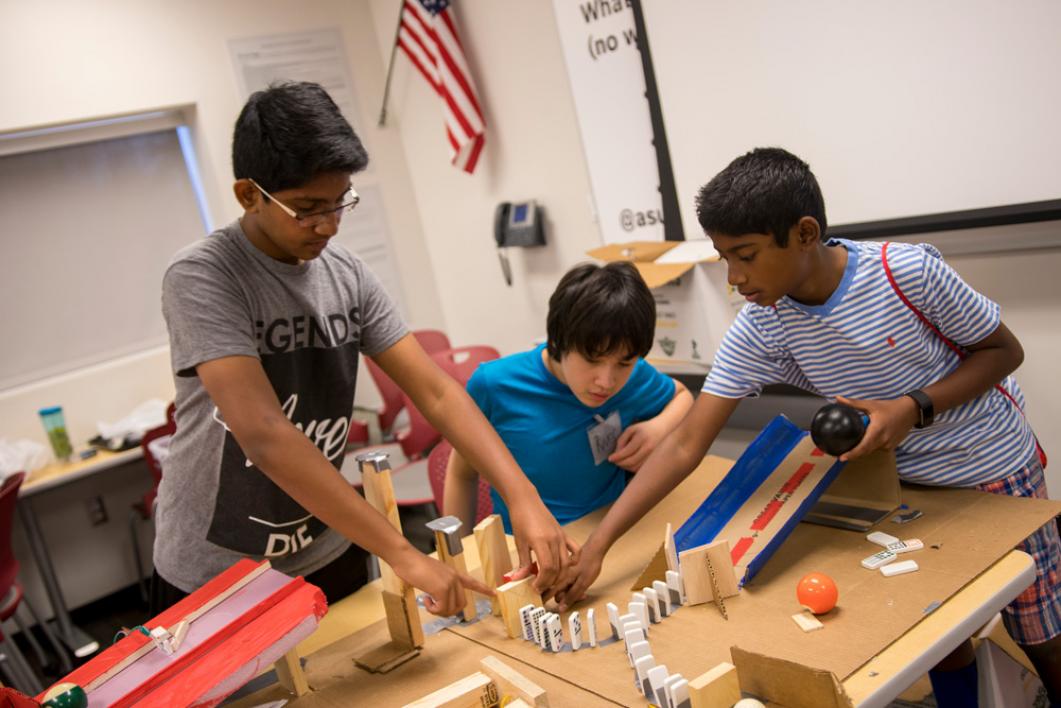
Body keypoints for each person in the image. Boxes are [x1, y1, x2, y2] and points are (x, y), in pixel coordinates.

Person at [556, 147, 1059, 704]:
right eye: (724, 257)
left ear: (804, 232)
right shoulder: (764, 325)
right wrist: (599, 545)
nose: (734, 278)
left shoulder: (906, 273)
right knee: (937, 625)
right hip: (905, 489)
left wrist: (910, 407)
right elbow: (683, 444)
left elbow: (1002, 351)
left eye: (744, 255)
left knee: (1038, 628)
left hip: (989, 468)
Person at [154, 81, 571, 617]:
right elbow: (264, 435)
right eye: (307, 209)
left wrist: (523, 496)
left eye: (339, 203)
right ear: (249, 195)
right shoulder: (203, 276)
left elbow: (437, 393)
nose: (328, 225)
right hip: (219, 573)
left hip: (327, 544)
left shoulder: (345, 274)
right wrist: (403, 552)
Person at [444, 261, 693, 534]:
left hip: (612, 534)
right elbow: (461, 474)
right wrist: (459, 558)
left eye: (624, 364)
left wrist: (658, 428)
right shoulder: (494, 385)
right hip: (529, 550)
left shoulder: (634, 376)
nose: (606, 381)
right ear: (560, 340)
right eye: (591, 359)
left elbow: (682, 397)